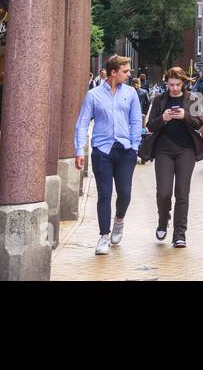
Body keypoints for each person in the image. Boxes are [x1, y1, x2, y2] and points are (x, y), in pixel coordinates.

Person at [74, 55, 144, 255]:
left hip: (125, 151)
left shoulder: (130, 94)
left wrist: (134, 146)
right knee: (104, 194)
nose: (129, 75)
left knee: (125, 193)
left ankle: (119, 221)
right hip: (102, 152)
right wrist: (80, 150)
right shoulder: (93, 95)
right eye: (126, 71)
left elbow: (136, 121)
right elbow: (82, 123)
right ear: (114, 72)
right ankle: (103, 236)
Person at [144, 66, 203, 248]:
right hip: (163, 150)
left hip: (186, 150)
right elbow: (150, 126)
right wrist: (163, 118)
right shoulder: (158, 100)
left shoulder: (195, 98)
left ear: (183, 83)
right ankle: (163, 220)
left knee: (182, 192)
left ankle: (180, 234)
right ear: (166, 83)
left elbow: (199, 122)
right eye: (171, 85)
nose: (174, 88)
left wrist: (185, 116)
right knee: (163, 192)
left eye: (177, 85)